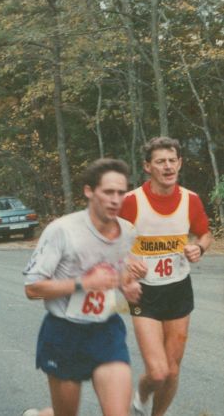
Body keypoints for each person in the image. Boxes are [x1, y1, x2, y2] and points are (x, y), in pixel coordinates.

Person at [22, 159, 145, 416]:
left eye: (121, 193)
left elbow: (118, 274)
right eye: (108, 192)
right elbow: (32, 288)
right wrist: (84, 284)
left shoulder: (127, 232)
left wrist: (128, 286)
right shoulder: (62, 230)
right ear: (89, 191)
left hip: (106, 331)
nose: (115, 199)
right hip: (64, 333)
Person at [119, 137, 212, 416]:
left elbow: (205, 234)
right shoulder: (131, 201)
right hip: (144, 293)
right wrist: (127, 260)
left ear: (180, 163)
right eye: (160, 161)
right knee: (157, 372)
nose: (168, 166)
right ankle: (141, 395)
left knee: (171, 372)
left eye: (172, 160)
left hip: (178, 289)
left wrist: (199, 248)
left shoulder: (190, 200)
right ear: (148, 167)